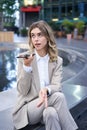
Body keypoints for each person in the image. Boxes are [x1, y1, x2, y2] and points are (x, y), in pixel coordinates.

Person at [13, 20, 78, 130]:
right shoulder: (24, 58)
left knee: (51, 113)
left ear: (47, 37)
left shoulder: (57, 61)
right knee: (59, 96)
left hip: (48, 105)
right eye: (33, 36)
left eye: (39, 35)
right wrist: (27, 68)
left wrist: (46, 90)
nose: (36, 39)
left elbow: (57, 86)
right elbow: (22, 91)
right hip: (29, 109)